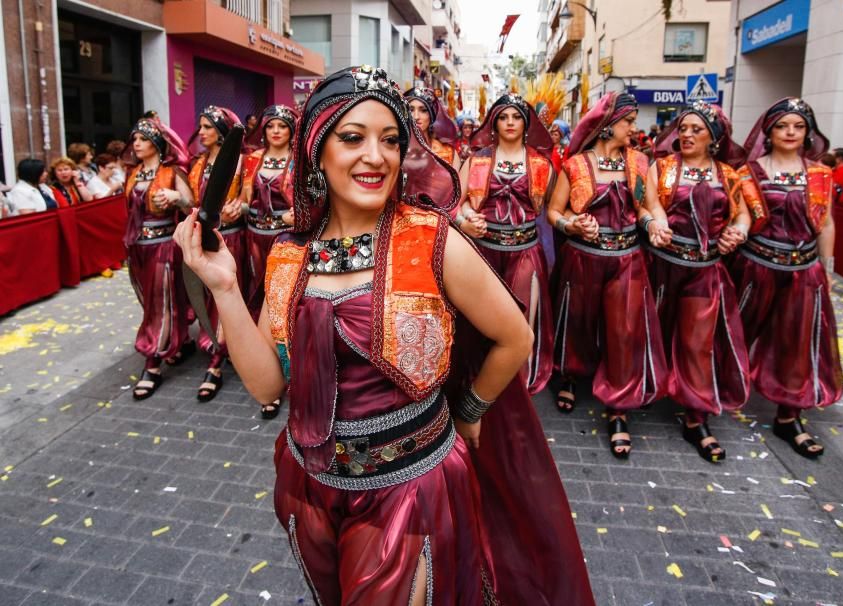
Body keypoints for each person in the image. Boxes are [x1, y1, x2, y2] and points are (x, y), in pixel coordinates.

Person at [174, 65, 594, 606]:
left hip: (411, 491)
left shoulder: (431, 239)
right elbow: (266, 388)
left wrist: (468, 413)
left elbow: (515, 337)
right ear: (317, 151)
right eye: (353, 138)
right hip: (310, 488)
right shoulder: (288, 253)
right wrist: (226, 289)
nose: (377, 156)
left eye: (391, 140)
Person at [547, 92, 667, 460]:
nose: (634, 128)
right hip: (583, 257)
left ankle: (619, 408)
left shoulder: (639, 163)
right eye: (629, 122)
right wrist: (572, 225)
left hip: (627, 259)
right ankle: (568, 374)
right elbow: (554, 211)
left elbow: (645, 206)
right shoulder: (576, 165)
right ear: (607, 125)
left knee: (623, 330)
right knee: (578, 321)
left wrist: (653, 224)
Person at [730, 97, 843, 459]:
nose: (791, 132)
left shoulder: (820, 175)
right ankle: (714, 395)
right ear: (770, 131)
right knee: (735, 332)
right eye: (783, 126)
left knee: (797, 343)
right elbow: (743, 217)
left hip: (803, 271)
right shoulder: (748, 172)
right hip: (756, 264)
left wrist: (827, 269)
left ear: (808, 132)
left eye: (798, 126)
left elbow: (825, 223)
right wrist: (736, 232)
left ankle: (789, 416)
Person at [642, 101, 751, 463]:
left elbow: (743, 216)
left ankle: (696, 415)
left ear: (714, 138)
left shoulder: (729, 175)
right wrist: (656, 222)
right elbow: (650, 203)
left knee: (697, 342)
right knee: (651, 332)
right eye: (683, 128)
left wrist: (736, 233)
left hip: (706, 271)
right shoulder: (664, 167)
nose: (686, 135)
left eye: (696, 130)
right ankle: (643, 393)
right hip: (663, 265)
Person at [456, 93, 555, 395]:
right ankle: (479, 391)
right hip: (482, 254)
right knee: (478, 325)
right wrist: (465, 220)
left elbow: (553, 210)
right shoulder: (476, 160)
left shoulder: (541, 164)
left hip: (526, 252)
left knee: (522, 327)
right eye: (503, 117)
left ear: (526, 124)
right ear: (494, 122)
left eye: (516, 117)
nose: (510, 122)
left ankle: (516, 396)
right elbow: (453, 205)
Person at [125, 117, 196, 400]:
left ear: (155, 143)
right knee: (154, 301)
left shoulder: (172, 171)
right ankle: (180, 341)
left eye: (141, 139)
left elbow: (190, 202)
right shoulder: (133, 173)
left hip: (164, 245)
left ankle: (152, 360)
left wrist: (175, 196)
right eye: (135, 140)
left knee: (161, 301)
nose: (136, 144)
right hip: (138, 246)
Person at [240, 104, 299, 419]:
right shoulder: (251, 159)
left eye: (282, 126)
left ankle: (285, 372)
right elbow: (240, 196)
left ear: (291, 130)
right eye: (270, 126)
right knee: (257, 297)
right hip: (254, 238)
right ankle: (262, 370)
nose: (276, 131)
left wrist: (299, 214)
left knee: (281, 305)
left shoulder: (299, 160)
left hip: (285, 241)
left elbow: (310, 199)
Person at [188, 105, 247, 402]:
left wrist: (241, 206)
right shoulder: (196, 163)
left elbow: (249, 197)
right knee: (205, 297)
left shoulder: (242, 163)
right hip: (199, 239)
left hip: (231, 240)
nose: (201, 133)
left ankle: (221, 358)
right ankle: (213, 350)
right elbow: (191, 200)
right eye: (200, 127)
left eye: (208, 127)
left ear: (222, 131)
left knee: (228, 297)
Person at [403, 85, 460, 168]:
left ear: (431, 115)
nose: (416, 117)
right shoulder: (397, 150)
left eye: (423, 110)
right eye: (411, 110)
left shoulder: (449, 153)